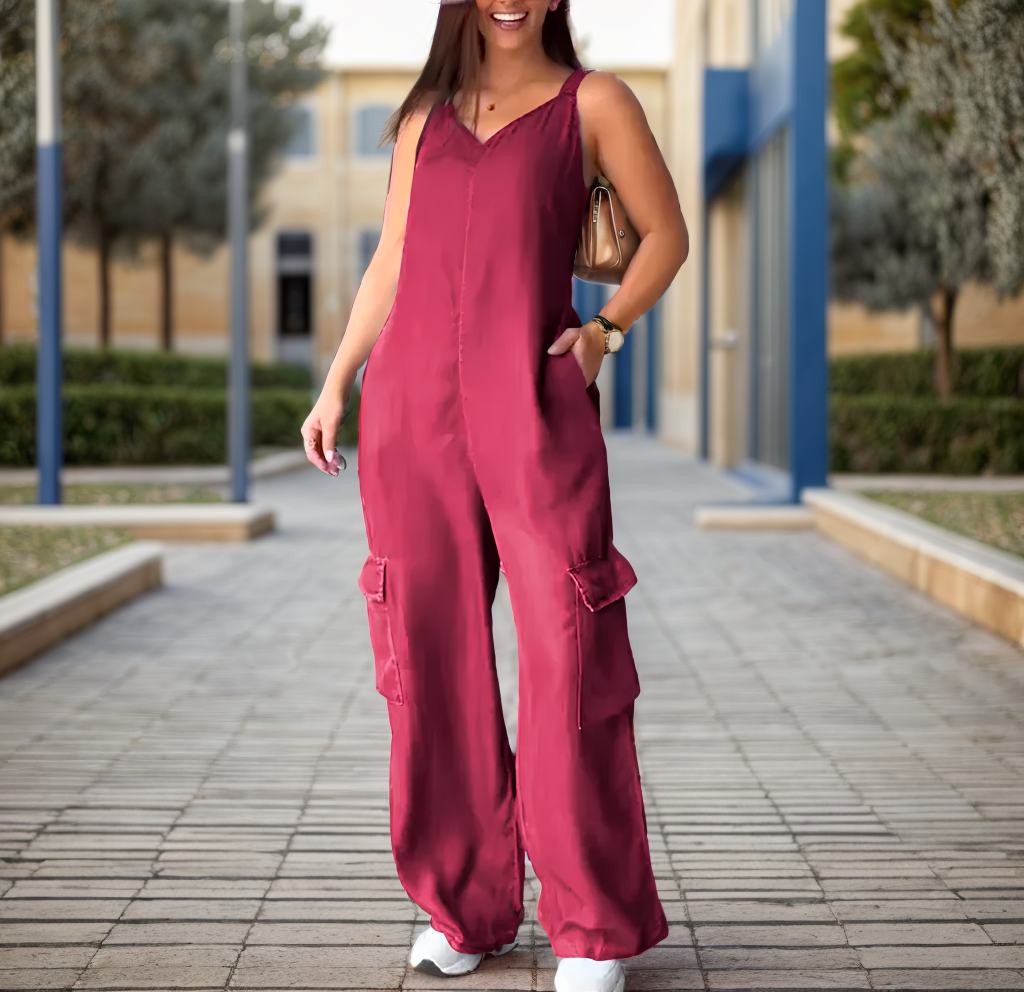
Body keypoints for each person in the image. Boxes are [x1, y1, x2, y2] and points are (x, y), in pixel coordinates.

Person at [302, 2, 688, 989]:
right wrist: (337, 380)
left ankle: (591, 924)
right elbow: (390, 259)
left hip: (534, 407)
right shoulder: (422, 117)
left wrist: (602, 333)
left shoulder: (592, 104)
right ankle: (465, 906)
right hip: (410, 413)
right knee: (428, 656)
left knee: (571, 648)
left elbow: (665, 235)